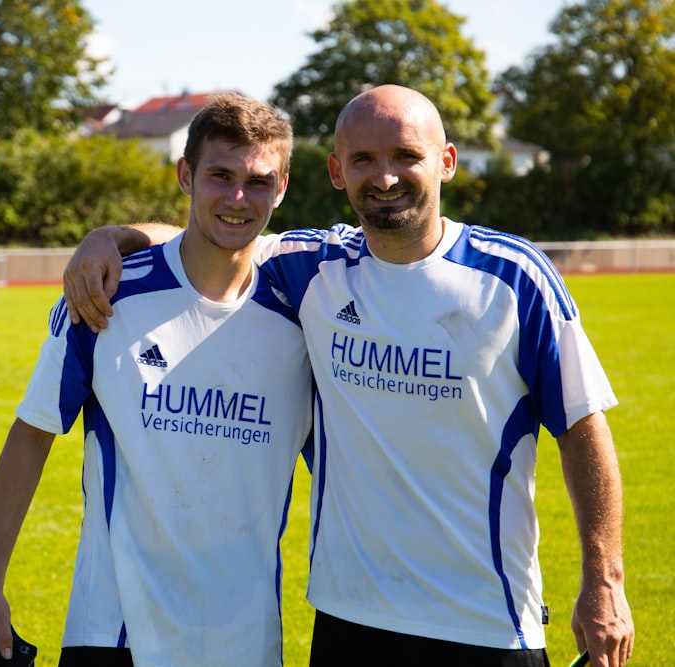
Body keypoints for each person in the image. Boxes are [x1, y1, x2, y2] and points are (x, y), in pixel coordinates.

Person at [62, 85, 635, 667]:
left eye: (406, 156)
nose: (384, 177)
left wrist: (605, 580)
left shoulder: (515, 279)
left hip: (486, 623)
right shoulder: (313, 269)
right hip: (349, 622)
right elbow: (215, 233)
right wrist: (109, 239)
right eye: (363, 159)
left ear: (447, 161)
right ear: (337, 171)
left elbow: (584, 428)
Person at [0, 93, 313, 667]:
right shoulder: (106, 294)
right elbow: (31, 434)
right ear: (185, 175)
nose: (238, 197)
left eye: (259, 181)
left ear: (283, 187)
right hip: (112, 635)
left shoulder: (305, 311)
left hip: (247, 644)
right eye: (220, 176)